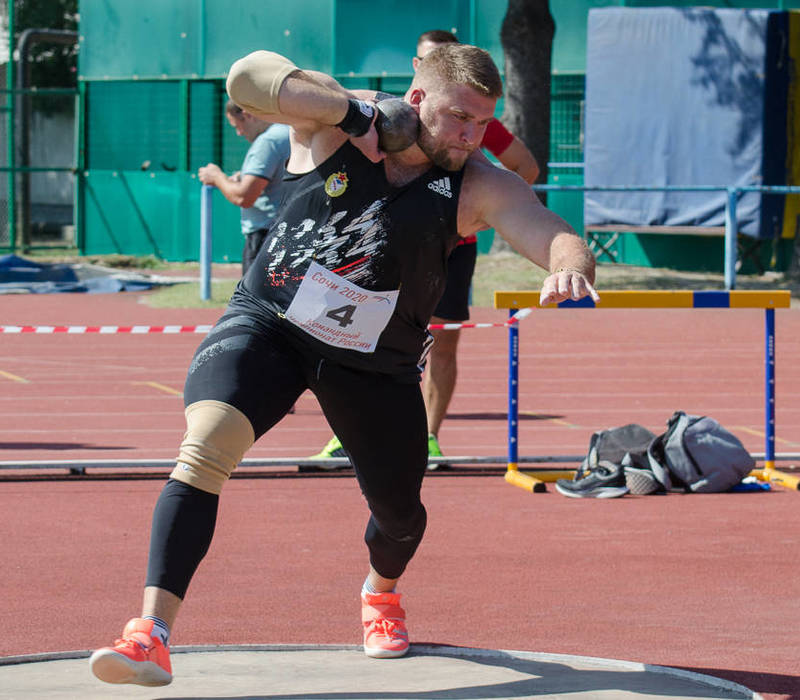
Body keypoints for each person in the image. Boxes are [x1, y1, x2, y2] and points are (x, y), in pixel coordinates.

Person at [89, 44, 599, 687]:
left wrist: (568, 269)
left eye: (481, 122)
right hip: (270, 324)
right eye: (459, 118)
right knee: (207, 444)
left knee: (401, 516)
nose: (472, 136)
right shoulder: (334, 129)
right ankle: (149, 635)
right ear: (417, 101)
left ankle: (380, 594)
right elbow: (248, 77)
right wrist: (353, 111)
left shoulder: (477, 183)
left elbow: (551, 230)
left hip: (375, 364)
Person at [312, 30, 540, 469]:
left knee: (442, 344)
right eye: (420, 59)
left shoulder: (471, 119)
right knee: (352, 335)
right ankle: (345, 435)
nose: (422, 64)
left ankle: (430, 437)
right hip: (385, 242)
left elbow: (525, 168)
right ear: (417, 70)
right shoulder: (383, 113)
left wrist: (477, 209)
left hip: (451, 249)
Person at [198, 100, 290, 274]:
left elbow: (244, 197)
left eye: (237, 125)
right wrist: (245, 175)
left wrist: (217, 177)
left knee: (252, 301)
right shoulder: (288, 132)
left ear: (247, 115)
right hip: (286, 233)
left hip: (265, 237)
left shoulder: (268, 141)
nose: (239, 133)